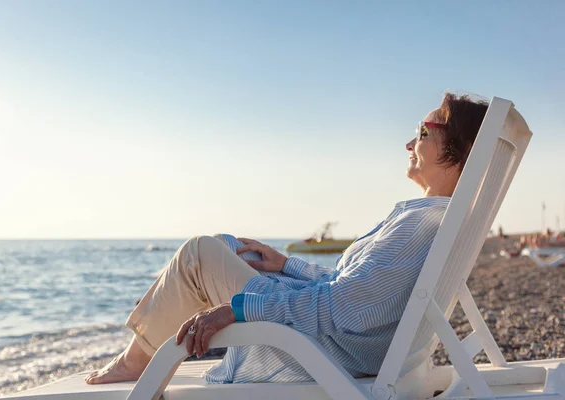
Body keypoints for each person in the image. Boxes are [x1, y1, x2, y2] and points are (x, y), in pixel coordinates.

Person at [85, 93, 489, 385]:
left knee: (199, 255)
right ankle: (153, 327)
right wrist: (287, 265)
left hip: (330, 351)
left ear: (463, 148)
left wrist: (239, 309)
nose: (408, 143)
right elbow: (352, 290)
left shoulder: (419, 226)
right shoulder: (434, 217)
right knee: (229, 246)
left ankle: (137, 360)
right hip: (349, 342)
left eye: (423, 130)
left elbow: (339, 306)